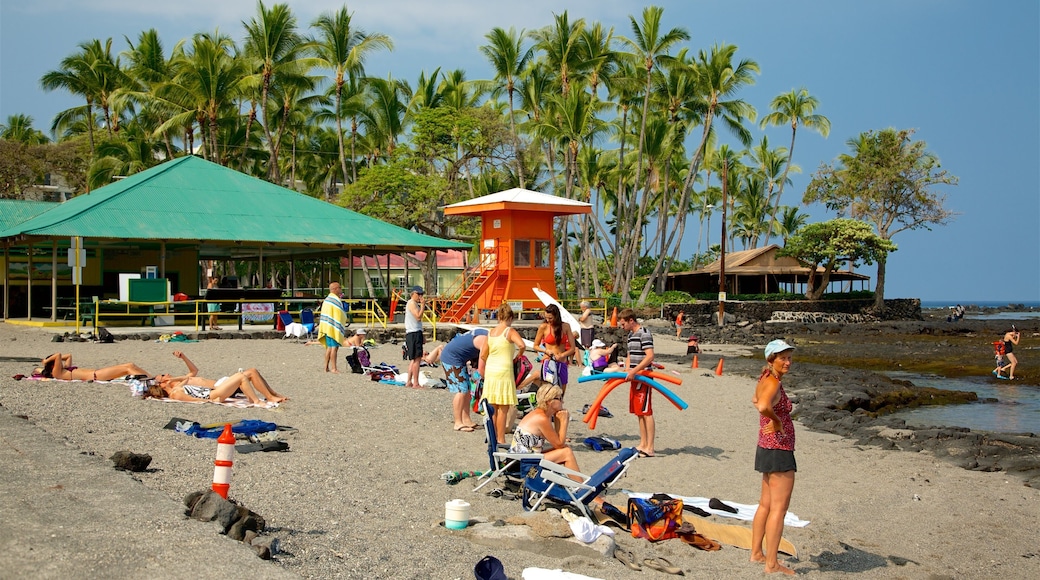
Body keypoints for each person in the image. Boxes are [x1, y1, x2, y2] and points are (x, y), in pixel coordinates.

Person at [750, 339, 798, 576]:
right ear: (771, 360)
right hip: (779, 448)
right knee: (778, 509)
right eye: (783, 358)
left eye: (789, 357)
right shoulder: (773, 382)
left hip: (766, 446)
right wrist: (777, 421)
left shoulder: (765, 379)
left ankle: (756, 552)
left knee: (766, 505)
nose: (787, 362)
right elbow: (762, 406)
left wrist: (772, 417)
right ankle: (771, 563)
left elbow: (755, 400)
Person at [146, 351, 288, 404]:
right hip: (216, 391)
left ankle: (271, 395)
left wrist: (183, 357)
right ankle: (259, 400)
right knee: (245, 375)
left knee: (252, 371)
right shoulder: (176, 390)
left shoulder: (178, 385)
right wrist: (211, 401)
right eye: (163, 377)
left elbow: (193, 371)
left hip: (218, 388)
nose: (167, 375)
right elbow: (195, 400)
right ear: (162, 384)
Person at [478, 302, 527, 444]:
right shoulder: (509, 331)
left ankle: (492, 437)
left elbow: (483, 355)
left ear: (498, 316)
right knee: (503, 408)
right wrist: (518, 356)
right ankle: (501, 438)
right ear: (510, 317)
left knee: (493, 407)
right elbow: (522, 345)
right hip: (504, 370)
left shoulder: (491, 332)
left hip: (491, 370)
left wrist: (491, 361)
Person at [619, 308, 656, 457]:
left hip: (644, 377)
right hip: (634, 378)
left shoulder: (644, 333)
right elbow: (630, 355)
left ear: (631, 321)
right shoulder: (630, 335)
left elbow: (650, 356)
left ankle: (650, 448)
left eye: (623, 324)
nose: (622, 327)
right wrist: (627, 370)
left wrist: (634, 371)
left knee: (646, 412)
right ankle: (643, 443)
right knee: (639, 412)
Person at [440, 328, 489, 432]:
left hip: (458, 358)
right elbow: (481, 368)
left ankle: (466, 419)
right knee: (461, 390)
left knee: (467, 388)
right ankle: (458, 422)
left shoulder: (485, 334)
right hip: (451, 358)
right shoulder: (484, 340)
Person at [530, 304, 576, 393]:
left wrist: (562, 355)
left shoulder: (566, 326)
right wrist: (545, 350)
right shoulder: (544, 327)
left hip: (562, 361)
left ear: (556, 316)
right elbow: (535, 345)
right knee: (548, 390)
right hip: (548, 360)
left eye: (550, 318)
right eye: (546, 318)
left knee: (561, 391)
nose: (548, 320)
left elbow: (572, 348)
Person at [36, 353, 151, 382]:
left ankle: (151, 377)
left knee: (130, 365)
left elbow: (68, 355)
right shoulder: (57, 373)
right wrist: (46, 361)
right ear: (53, 365)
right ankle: (149, 379)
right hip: (96, 376)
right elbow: (59, 355)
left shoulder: (64, 369)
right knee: (127, 368)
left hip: (97, 373)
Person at [318, 281, 348, 373]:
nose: (340, 290)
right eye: (339, 288)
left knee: (329, 348)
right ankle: (334, 368)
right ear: (335, 289)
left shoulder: (327, 300)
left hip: (327, 327)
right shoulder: (334, 300)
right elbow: (339, 313)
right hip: (333, 327)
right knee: (334, 347)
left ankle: (326, 367)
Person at [404, 286, 426, 389]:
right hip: (413, 333)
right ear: (413, 294)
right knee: (417, 359)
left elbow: (418, 322)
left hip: (415, 332)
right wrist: (423, 305)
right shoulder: (412, 303)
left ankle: (409, 381)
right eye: (419, 294)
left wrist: (422, 335)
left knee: (413, 359)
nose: (420, 297)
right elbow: (418, 317)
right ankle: (415, 383)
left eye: (422, 294)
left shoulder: (413, 303)